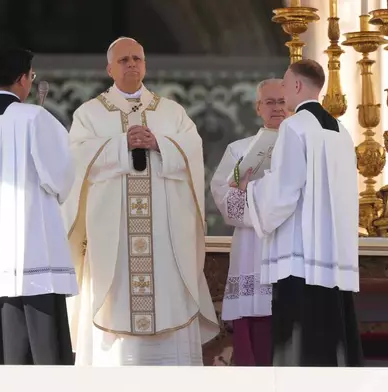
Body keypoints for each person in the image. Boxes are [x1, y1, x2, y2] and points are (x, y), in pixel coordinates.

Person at [62, 37, 219, 366]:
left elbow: (193, 150)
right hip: (114, 237)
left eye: (137, 58)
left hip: (163, 235)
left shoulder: (171, 112)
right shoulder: (89, 114)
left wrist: (161, 143)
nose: (132, 64)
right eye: (124, 60)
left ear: (145, 64)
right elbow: (75, 159)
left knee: (169, 294)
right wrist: (121, 145)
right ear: (109, 69)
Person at [234, 59, 362, 366]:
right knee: (333, 341)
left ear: (296, 85)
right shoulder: (341, 131)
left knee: (301, 347)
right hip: (332, 256)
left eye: (284, 83)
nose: (282, 90)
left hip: (300, 256)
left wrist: (251, 189)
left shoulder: (294, 126)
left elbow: (284, 191)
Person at [0, 48, 77, 365]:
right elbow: (60, 178)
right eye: (31, 76)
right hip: (29, 254)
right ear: (23, 78)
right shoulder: (35, 117)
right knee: (38, 355)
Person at [210, 78, 286, 366]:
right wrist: (254, 192)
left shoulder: (305, 146)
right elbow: (224, 195)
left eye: (281, 101)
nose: (277, 108)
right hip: (254, 245)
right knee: (255, 331)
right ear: (258, 108)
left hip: (290, 244)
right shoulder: (239, 150)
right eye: (270, 102)